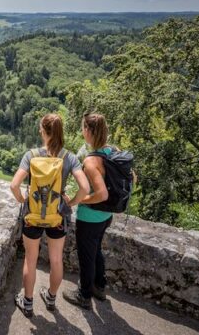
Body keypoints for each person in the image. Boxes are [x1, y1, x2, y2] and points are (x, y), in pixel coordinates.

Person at [10, 113, 89, 318]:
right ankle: (51, 298)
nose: (39, 131)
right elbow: (85, 187)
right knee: (56, 260)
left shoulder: (31, 155)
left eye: (40, 128)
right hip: (57, 217)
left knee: (30, 259)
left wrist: (22, 200)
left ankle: (27, 303)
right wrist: (70, 202)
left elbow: (14, 184)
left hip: (33, 215)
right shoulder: (69, 157)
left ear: (44, 132)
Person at [63, 112, 113, 310]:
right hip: (106, 216)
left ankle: (84, 295)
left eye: (84, 128)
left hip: (90, 217)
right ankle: (99, 287)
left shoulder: (91, 162)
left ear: (89, 131)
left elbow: (101, 194)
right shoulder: (112, 151)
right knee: (96, 251)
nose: (82, 131)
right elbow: (132, 177)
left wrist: (80, 200)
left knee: (86, 257)